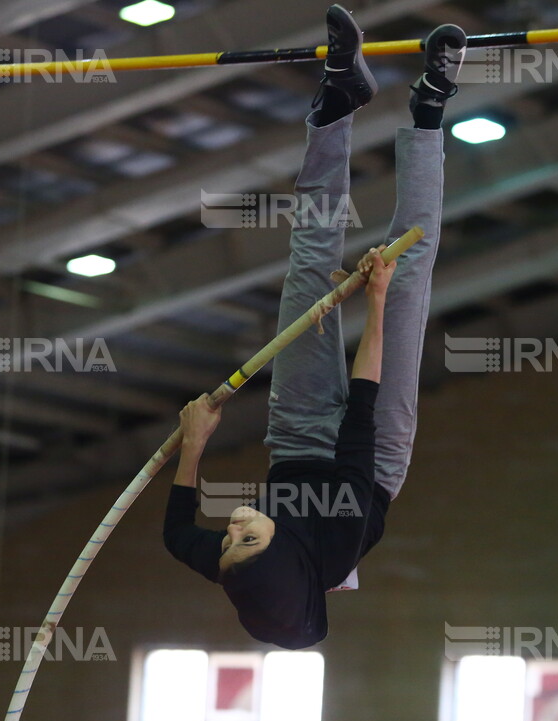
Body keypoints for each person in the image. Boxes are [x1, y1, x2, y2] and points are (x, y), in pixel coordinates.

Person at [163, 5, 465, 649]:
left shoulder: (241, 566)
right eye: (248, 534)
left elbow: (174, 536)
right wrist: (374, 299)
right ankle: (430, 112)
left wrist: (193, 444)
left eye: (231, 542)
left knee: (308, 264)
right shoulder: (338, 534)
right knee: (406, 275)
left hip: (297, 440)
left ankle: (338, 102)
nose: (238, 520)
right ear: (275, 555)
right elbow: (362, 413)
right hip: (373, 453)